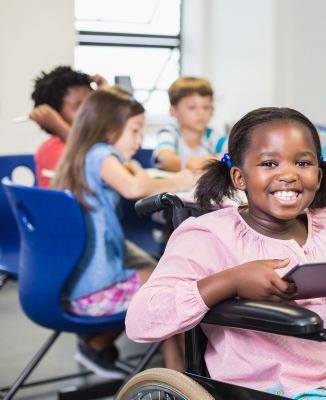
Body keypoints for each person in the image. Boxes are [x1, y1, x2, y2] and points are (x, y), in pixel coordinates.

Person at [125, 107, 326, 400]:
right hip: (268, 387)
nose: (289, 175)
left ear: (319, 176)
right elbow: (141, 319)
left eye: (303, 163)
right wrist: (230, 282)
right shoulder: (210, 235)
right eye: (269, 163)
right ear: (239, 178)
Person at [52, 86, 195, 379]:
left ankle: (173, 369)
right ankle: (184, 373)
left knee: (158, 277)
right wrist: (181, 179)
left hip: (76, 286)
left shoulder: (83, 153)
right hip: (94, 292)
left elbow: (138, 175)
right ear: (109, 127)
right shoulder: (101, 154)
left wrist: (132, 165)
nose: (140, 140)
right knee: (168, 289)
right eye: (134, 131)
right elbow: (134, 187)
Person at [30, 66, 107, 187]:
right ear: (54, 114)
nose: (90, 112)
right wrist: (58, 127)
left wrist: (106, 96)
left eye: (91, 104)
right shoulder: (51, 148)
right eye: (79, 107)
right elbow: (94, 167)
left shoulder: (97, 142)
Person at [152, 77, 226, 172]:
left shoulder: (212, 136)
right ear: (174, 111)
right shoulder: (170, 133)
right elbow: (166, 159)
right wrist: (203, 164)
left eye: (206, 107)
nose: (200, 112)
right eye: (191, 107)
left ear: (212, 110)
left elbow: (237, 151)